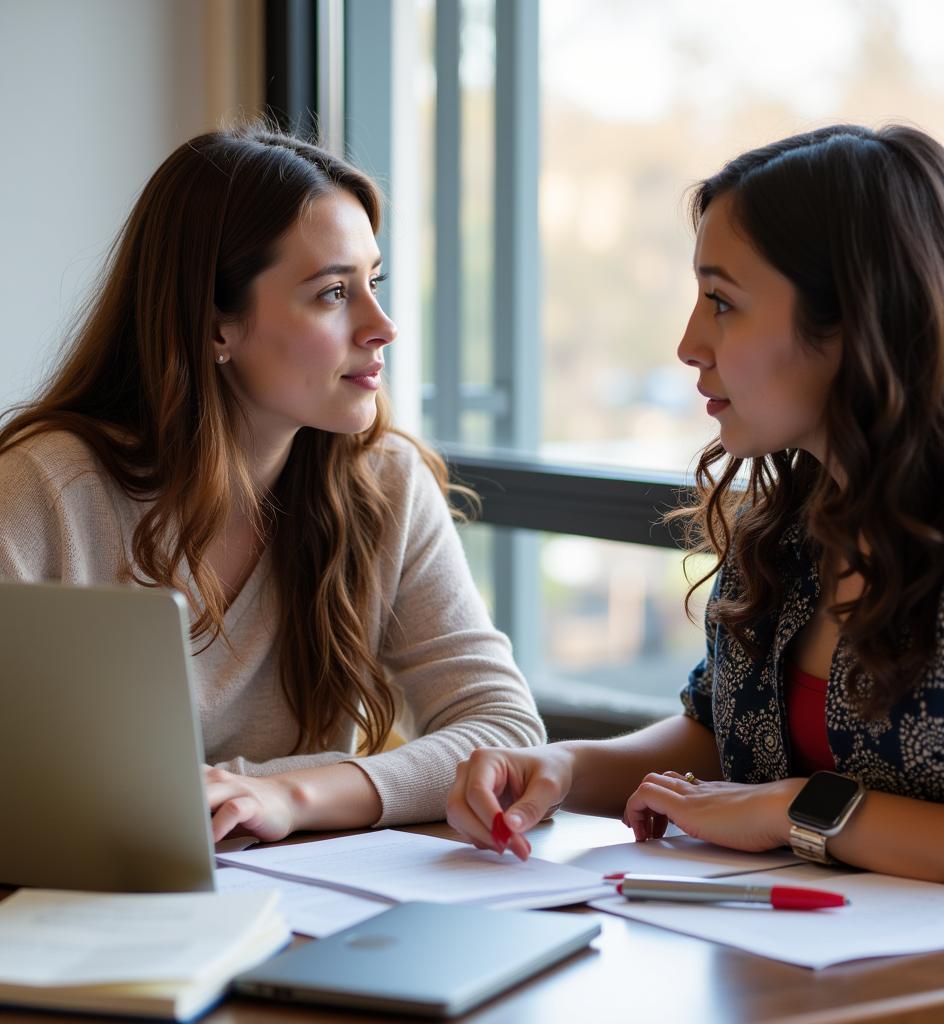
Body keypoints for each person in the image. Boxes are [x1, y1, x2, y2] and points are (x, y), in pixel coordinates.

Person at [446, 123, 944, 898]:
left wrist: (803, 811)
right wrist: (561, 766)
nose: (688, 343)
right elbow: (717, 736)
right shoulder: (788, 528)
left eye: (721, 302)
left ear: (858, 320)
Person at [0, 123, 544, 841]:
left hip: (305, 911)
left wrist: (291, 796)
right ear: (216, 325)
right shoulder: (45, 491)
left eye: (373, 283)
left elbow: (504, 730)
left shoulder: (382, 484)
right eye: (332, 293)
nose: (382, 325)